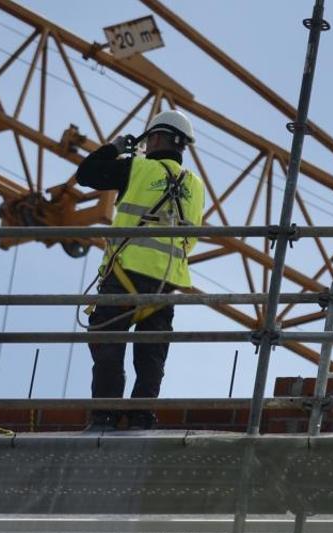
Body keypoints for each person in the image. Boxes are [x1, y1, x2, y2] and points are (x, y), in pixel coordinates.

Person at [74, 110, 206, 431]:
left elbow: (86, 173)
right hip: (167, 284)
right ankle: (141, 416)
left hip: (126, 275)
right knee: (151, 354)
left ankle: (105, 415)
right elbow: (191, 238)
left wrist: (114, 148)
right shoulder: (197, 186)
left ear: (156, 138)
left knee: (108, 341)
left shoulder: (138, 168)